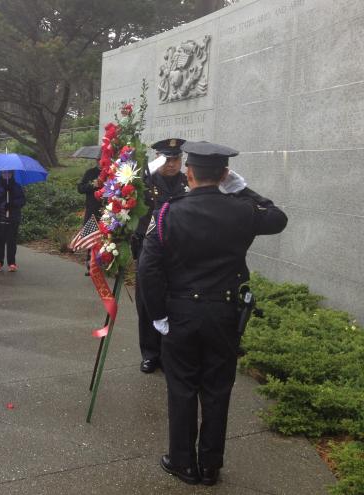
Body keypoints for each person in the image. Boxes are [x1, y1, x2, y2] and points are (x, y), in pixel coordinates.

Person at [138, 140, 288, 486]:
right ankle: (210, 465)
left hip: (181, 313)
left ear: (188, 173)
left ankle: (182, 463)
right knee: (218, 389)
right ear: (224, 174)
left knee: (182, 388)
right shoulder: (243, 209)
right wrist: (243, 188)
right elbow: (278, 218)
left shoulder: (166, 212)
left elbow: (149, 269)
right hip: (224, 313)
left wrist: (157, 314)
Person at [133, 138, 189, 374]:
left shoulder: (188, 183)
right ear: (158, 158)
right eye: (166, 159)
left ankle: (168, 354)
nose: (172, 164)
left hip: (177, 254)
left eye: (176, 159)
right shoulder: (143, 183)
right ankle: (150, 354)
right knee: (147, 304)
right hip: (149, 252)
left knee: (173, 305)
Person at [0, 171, 25, 272]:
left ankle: (12, 263)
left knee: (11, 241)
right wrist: (3, 190)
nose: (6, 175)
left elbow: (22, 200)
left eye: (9, 173)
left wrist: (13, 204)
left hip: (13, 217)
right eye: (4, 173)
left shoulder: (17, 186)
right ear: (1, 174)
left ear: (12, 174)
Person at [76, 158, 103, 276]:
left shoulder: (112, 172)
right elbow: (80, 188)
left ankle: (104, 265)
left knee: (106, 239)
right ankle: (90, 264)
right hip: (92, 209)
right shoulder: (90, 173)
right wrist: (93, 184)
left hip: (108, 211)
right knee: (91, 237)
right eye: (100, 160)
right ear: (97, 160)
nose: (102, 162)